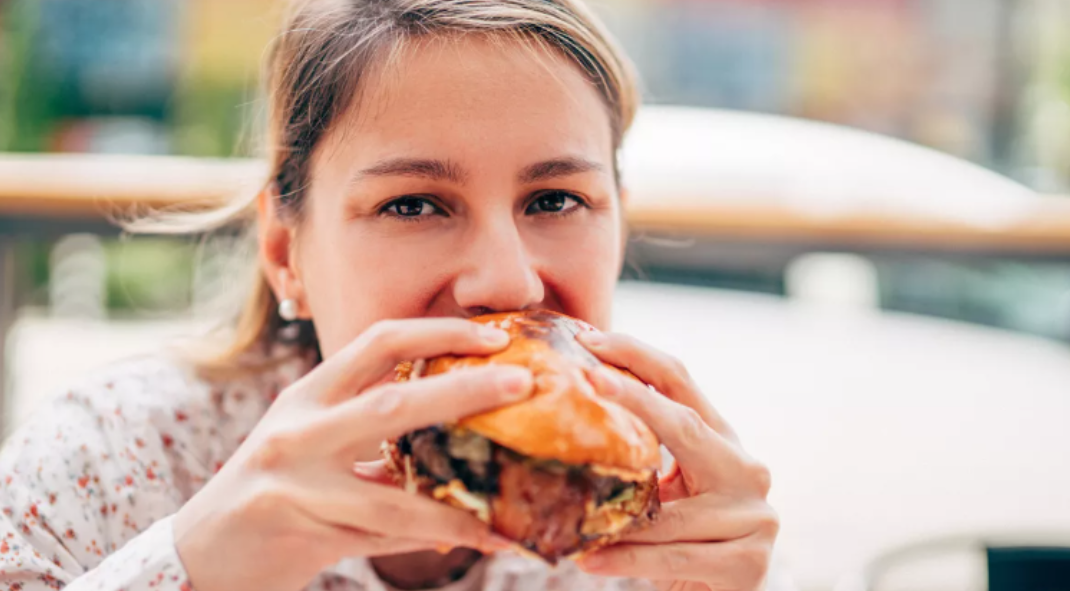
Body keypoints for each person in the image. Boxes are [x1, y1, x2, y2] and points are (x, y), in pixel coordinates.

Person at [0, 1, 783, 590]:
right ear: (285, 250)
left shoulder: (671, 523)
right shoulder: (102, 466)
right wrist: (190, 565)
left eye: (554, 200)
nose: (508, 281)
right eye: (413, 204)